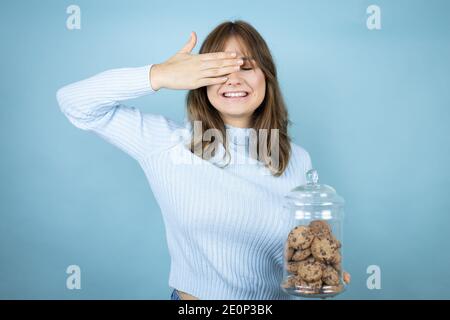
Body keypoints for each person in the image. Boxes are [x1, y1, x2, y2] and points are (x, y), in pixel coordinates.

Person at [56, 20, 350, 300]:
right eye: (219, 70)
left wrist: (319, 275)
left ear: (267, 78)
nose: (233, 78)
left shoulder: (297, 159)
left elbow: (297, 252)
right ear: (200, 81)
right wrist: (158, 75)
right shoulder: (167, 143)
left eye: (246, 66)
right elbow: (75, 102)